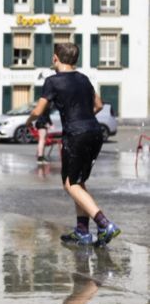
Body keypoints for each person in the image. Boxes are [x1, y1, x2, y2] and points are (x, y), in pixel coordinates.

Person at [26, 42, 119, 246]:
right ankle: (82, 231)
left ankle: (105, 224)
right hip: (94, 132)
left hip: (76, 135)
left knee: (71, 184)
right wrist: (85, 120)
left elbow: (38, 111)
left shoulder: (52, 81)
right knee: (79, 182)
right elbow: (99, 105)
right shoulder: (84, 79)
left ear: (55, 58)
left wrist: (28, 122)